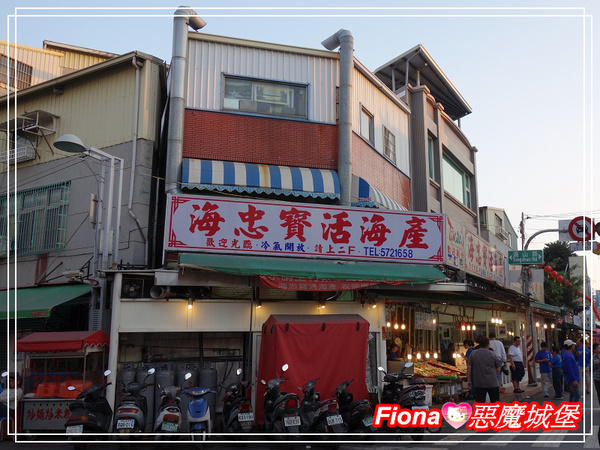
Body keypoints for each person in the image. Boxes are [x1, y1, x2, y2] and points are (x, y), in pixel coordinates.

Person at [467, 336, 502, 403]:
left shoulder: (473, 353)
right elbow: (498, 369)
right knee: (495, 402)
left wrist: (469, 380)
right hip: (492, 382)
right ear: (488, 345)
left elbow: (469, 367)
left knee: (480, 402)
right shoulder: (492, 354)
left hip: (479, 383)